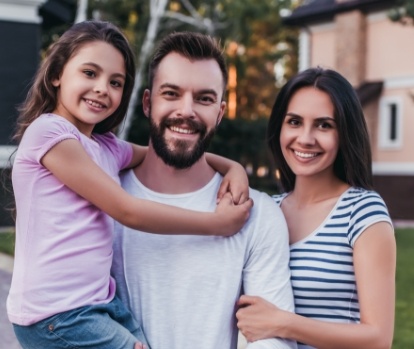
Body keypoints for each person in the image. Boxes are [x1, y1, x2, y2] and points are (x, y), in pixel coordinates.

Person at [7, 20, 254, 349]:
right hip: (56, 314)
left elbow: (158, 153)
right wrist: (216, 224)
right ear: (57, 74)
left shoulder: (107, 147)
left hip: (97, 305)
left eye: (116, 82)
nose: (101, 89)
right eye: (89, 73)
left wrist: (233, 166)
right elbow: (127, 210)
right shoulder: (49, 134)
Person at [111, 31, 297, 349]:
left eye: (204, 98)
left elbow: (273, 340)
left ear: (220, 113)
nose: (187, 110)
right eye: (171, 93)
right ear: (147, 102)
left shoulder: (257, 214)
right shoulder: (104, 196)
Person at [236, 67, 396, 349]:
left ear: (344, 133)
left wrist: (284, 322)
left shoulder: (362, 211)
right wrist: (230, 167)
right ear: (280, 128)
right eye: (294, 122)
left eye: (324, 125)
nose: (306, 138)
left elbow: (378, 338)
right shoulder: (266, 212)